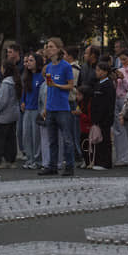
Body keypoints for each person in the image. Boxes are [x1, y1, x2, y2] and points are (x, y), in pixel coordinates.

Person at [39, 37, 76, 176]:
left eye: (51, 46)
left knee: (67, 139)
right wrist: (45, 107)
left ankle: (70, 166)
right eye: (47, 46)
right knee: (52, 139)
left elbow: (70, 85)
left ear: (58, 49)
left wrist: (57, 85)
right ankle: (52, 165)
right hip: (51, 107)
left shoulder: (66, 66)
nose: (48, 49)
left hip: (62, 108)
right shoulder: (48, 67)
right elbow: (49, 88)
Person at [0, 62, 21, 169]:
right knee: (10, 138)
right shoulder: (15, 81)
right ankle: (10, 160)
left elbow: (2, 101)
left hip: (4, 115)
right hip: (13, 113)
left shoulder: (6, 83)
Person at [112, 48, 128, 167]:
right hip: (117, 98)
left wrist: (123, 78)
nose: (123, 62)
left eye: (125, 59)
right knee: (118, 129)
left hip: (127, 99)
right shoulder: (121, 69)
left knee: (127, 129)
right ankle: (120, 155)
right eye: (121, 60)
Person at [19, 53, 45, 169]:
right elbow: (24, 91)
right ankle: (30, 159)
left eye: (31, 61)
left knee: (36, 137)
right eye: (28, 61)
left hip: (37, 109)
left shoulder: (41, 76)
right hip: (27, 109)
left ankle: (37, 160)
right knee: (26, 135)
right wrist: (22, 102)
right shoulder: (27, 76)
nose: (28, 63)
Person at [90, 62, 116, 170]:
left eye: (99, 70)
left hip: (105, 117)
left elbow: (108, 104)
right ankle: (98, 161)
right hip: (97, 117)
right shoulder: (98, 84)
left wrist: (106, 117)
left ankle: (106, 163)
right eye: (97, 70)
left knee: (105, 140)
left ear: (105, 72)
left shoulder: (108, 85)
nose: (97, 72)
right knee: (98, 139)